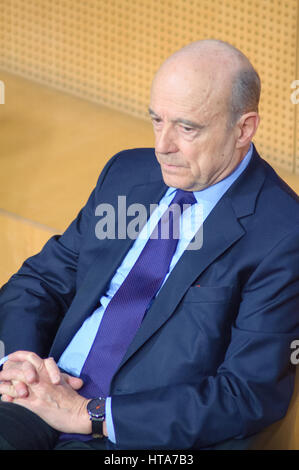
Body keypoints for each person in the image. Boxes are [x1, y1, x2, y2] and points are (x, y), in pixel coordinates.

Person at [0, 39, 299, 451]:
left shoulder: (284, 234)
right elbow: (40, 281)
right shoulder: (128, 173)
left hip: (136, 438)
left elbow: (247, 393)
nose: (163, 145)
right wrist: (19, 364)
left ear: (243, 129)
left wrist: (89, 414)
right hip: (40, 396)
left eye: (187, 128)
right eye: (157, 120)